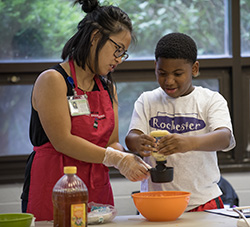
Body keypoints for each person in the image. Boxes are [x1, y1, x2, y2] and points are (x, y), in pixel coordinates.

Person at [21, 0, 150, 221]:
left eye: (124, 53)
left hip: (97, 191)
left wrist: (130, 160)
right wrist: (115, 158)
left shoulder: (108, 87)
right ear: (95, 38)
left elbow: (111, 143)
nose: (119, 59)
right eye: (117, 49)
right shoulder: (53, 80)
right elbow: (63, 140)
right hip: (54, 187)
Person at [125, 32, 236, 212]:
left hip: (203, 201)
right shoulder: (146, 100)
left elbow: (224, 137)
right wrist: (138, 142)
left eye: (178, 74)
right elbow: (131, 138)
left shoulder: (211, 100)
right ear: (155, 67)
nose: (169, 81)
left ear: (194, 69)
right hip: (155, 200)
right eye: (162, 73)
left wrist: (189, 143)